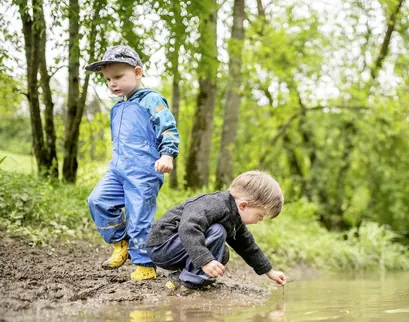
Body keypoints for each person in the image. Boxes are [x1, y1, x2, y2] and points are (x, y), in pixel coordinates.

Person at [86, 45, 179, 281]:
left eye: (118, 77)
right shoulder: (117, 106)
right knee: (98, 201)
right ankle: (120, 242)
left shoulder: (152, 100)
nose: (112, 83)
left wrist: (167, 155)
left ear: (137, 72)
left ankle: (145, 264)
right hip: (118, 169)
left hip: (144, 172)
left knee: (139, 218)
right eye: (108, 79)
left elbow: (167, 128)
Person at [146, 170, 287, 291]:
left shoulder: (234, 216)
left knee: (222, 253)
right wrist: (205, 261)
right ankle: (190, 283)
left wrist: (269, 271)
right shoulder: (215, 204)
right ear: (243, 206)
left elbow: (247, 246)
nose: (260, 220)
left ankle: (180, 278)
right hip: (163, 245)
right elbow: (188, 228)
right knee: (217, 231)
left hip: (180, 247)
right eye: (260, 215)